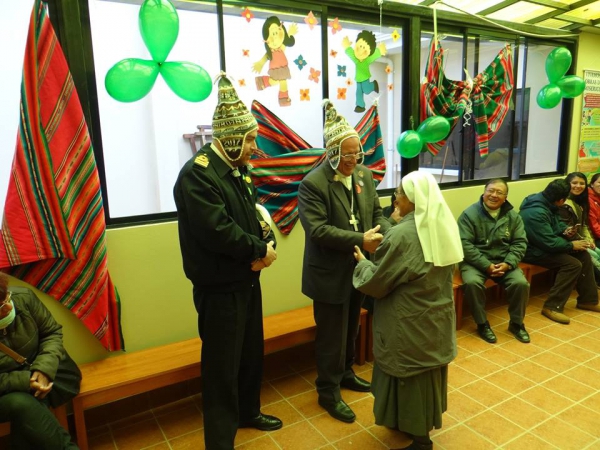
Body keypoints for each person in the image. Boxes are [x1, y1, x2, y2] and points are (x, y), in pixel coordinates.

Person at [173, 74, 281, 450]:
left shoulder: (238, 170)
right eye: (250, 139)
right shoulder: (198, 176)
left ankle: (249, 411)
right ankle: (220, 441)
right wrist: (257, 251)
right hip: (220, 290)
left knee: (251, 353)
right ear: (231, 138)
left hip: (247, 281)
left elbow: (252, 215)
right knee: (221, 368)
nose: (255, 146)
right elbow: (218, 231)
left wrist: (265, 244)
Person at [353, 171, 463, 450]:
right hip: (436, 317)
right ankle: (409, 424)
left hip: (407, 320)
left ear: (413, 199)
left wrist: (363, 262)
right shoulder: (443, 224)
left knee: (408, 377)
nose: (396, 197)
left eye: (400, 193)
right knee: (426, 374)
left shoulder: (402, 235)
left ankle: (420, 439)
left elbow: (378, 282)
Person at [298, 99, 391, 423]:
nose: (354, 160)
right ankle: (328, 391)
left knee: (351, 328)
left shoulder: (364, 174)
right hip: (328, 276)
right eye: (347, 154)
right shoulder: (312, 184)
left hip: (360, 271)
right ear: (332, 153)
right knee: (330, 337)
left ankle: (347, 373)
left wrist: (390, 236)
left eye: (357, 153)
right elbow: (319, 230)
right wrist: (360, 240)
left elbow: (377, 213)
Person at [0, 273, 79, 450]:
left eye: (6, 299)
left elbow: (52, 333)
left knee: (33, 404)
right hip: (6, 392)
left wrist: (43, 371)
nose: (7, 309)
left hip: (46, 373)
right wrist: (25, 381)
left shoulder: (23, 298)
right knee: (21, 403)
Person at [457, 179, 530, 344]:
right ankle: (482, 324)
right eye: (490, 191)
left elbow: (520, 242)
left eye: (499, 192)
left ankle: (517, 324)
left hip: (504, 261)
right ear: (484, 192)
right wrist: (486, 266)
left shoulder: (513, 216)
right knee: (472, 283)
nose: (493, 195)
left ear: (505, 197)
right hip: (474, 262)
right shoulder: (469, 214)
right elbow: (464, 245)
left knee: (521, 283)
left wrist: (509, 263)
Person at [519, 179, 600, 325]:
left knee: (583, 255)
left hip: (543, 246)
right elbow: (548, 243)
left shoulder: (548, 203)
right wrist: (571, 245)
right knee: (572, 264)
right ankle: (552, 307)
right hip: (530, 250)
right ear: (561, 200)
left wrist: (565, 230)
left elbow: (554, 225)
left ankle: (588, 300)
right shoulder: (535, 212)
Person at [559, 172, 600, 286]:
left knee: (598, 252)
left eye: (582, 183)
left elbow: (584, 225)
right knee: (593, 256)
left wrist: (589, 239)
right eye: (574, 183)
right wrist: (584, 241)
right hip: (570, 242)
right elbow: (568, 229)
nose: (578, 186)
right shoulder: (563, 203)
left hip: (582, 238)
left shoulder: (581, 201)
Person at [253, 16, 297, 106]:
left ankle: (263, 82)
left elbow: (285, 41)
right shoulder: (271, 52)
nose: (276, 37)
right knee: (280, 82)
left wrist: (290, 33)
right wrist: (260, 63)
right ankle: (283, 100)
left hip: (283, 68)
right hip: (276, 69)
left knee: (279, 82)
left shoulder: (281, 47)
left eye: (277, 32)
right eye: (273, 34)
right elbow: (266, 57)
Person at [342, 31, 386, 113]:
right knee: (358, 92)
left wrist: (380, 51)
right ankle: (360, 105)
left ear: (370, 51)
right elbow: (350, 52)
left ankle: (373, 85)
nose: (361, 50)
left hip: (365, 77)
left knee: (366, 90)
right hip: (358, 78)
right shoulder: (356, 60)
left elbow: (374, 55)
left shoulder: (367, 60)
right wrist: (347, 46)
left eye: (364, 48)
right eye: (360, 46)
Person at [587, 172, 600, 248]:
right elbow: (594, 227)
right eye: (599, 182)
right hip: (594, 238)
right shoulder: (588, 200)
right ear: (592, 184)